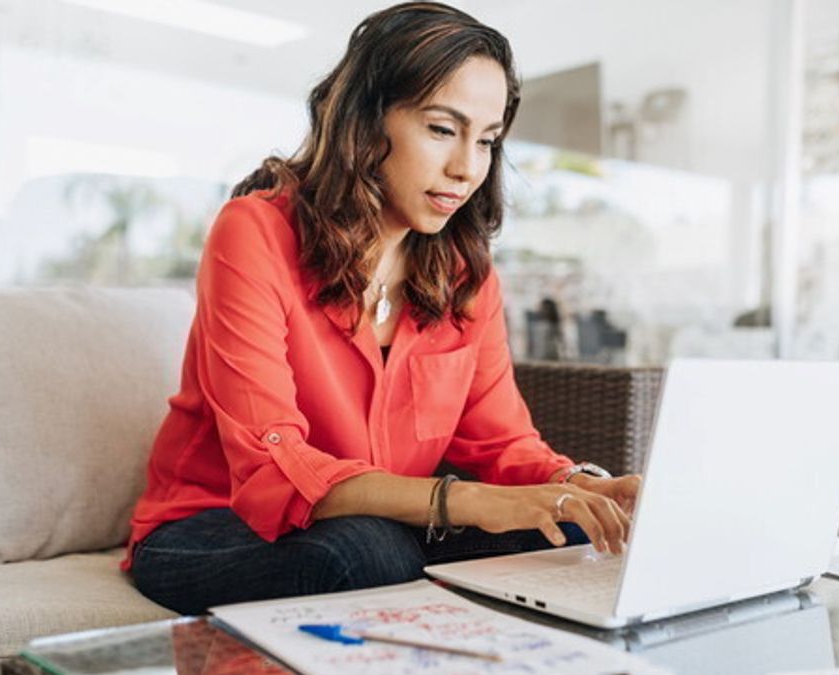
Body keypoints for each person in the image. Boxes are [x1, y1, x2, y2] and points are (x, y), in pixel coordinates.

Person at [125, 1, 641, 616]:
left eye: (487, 140)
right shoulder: (255, 233)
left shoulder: (464, 277)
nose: (466, 168)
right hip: (212, 528)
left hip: (389, 522)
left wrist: (581, 487)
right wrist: (471, 504)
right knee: (368, 553)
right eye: (442, 129)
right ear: (367, 121)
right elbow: (274, 467)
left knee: (577, 531)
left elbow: (504, 446)